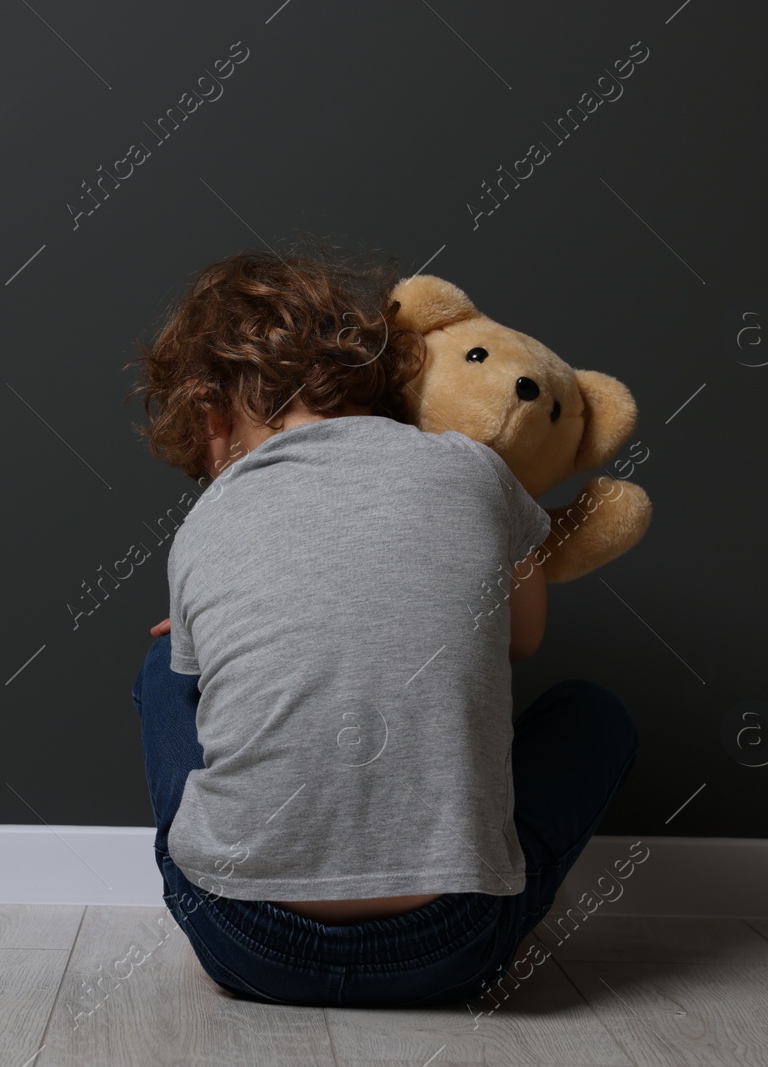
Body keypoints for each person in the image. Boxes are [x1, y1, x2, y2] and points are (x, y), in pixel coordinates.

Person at [124, 242, 640, 1006]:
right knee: (594, 715)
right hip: (449, 946)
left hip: (246, 941)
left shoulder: (207, 517)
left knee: (162, 674)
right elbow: (521, 638)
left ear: (211, 414)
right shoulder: (474, 468)